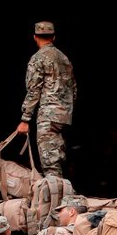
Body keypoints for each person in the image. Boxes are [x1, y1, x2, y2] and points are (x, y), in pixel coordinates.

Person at [17, 20, 76, 178]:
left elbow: (34, 89)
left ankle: (56, 197)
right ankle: (62, 192)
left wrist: (25, 119)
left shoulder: (38, 58)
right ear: (54, 37)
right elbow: (73, 88)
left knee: (49, 162)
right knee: (58, 156)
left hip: (48, 116)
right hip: (64, 116)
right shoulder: (64, 58)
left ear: (35, 37)